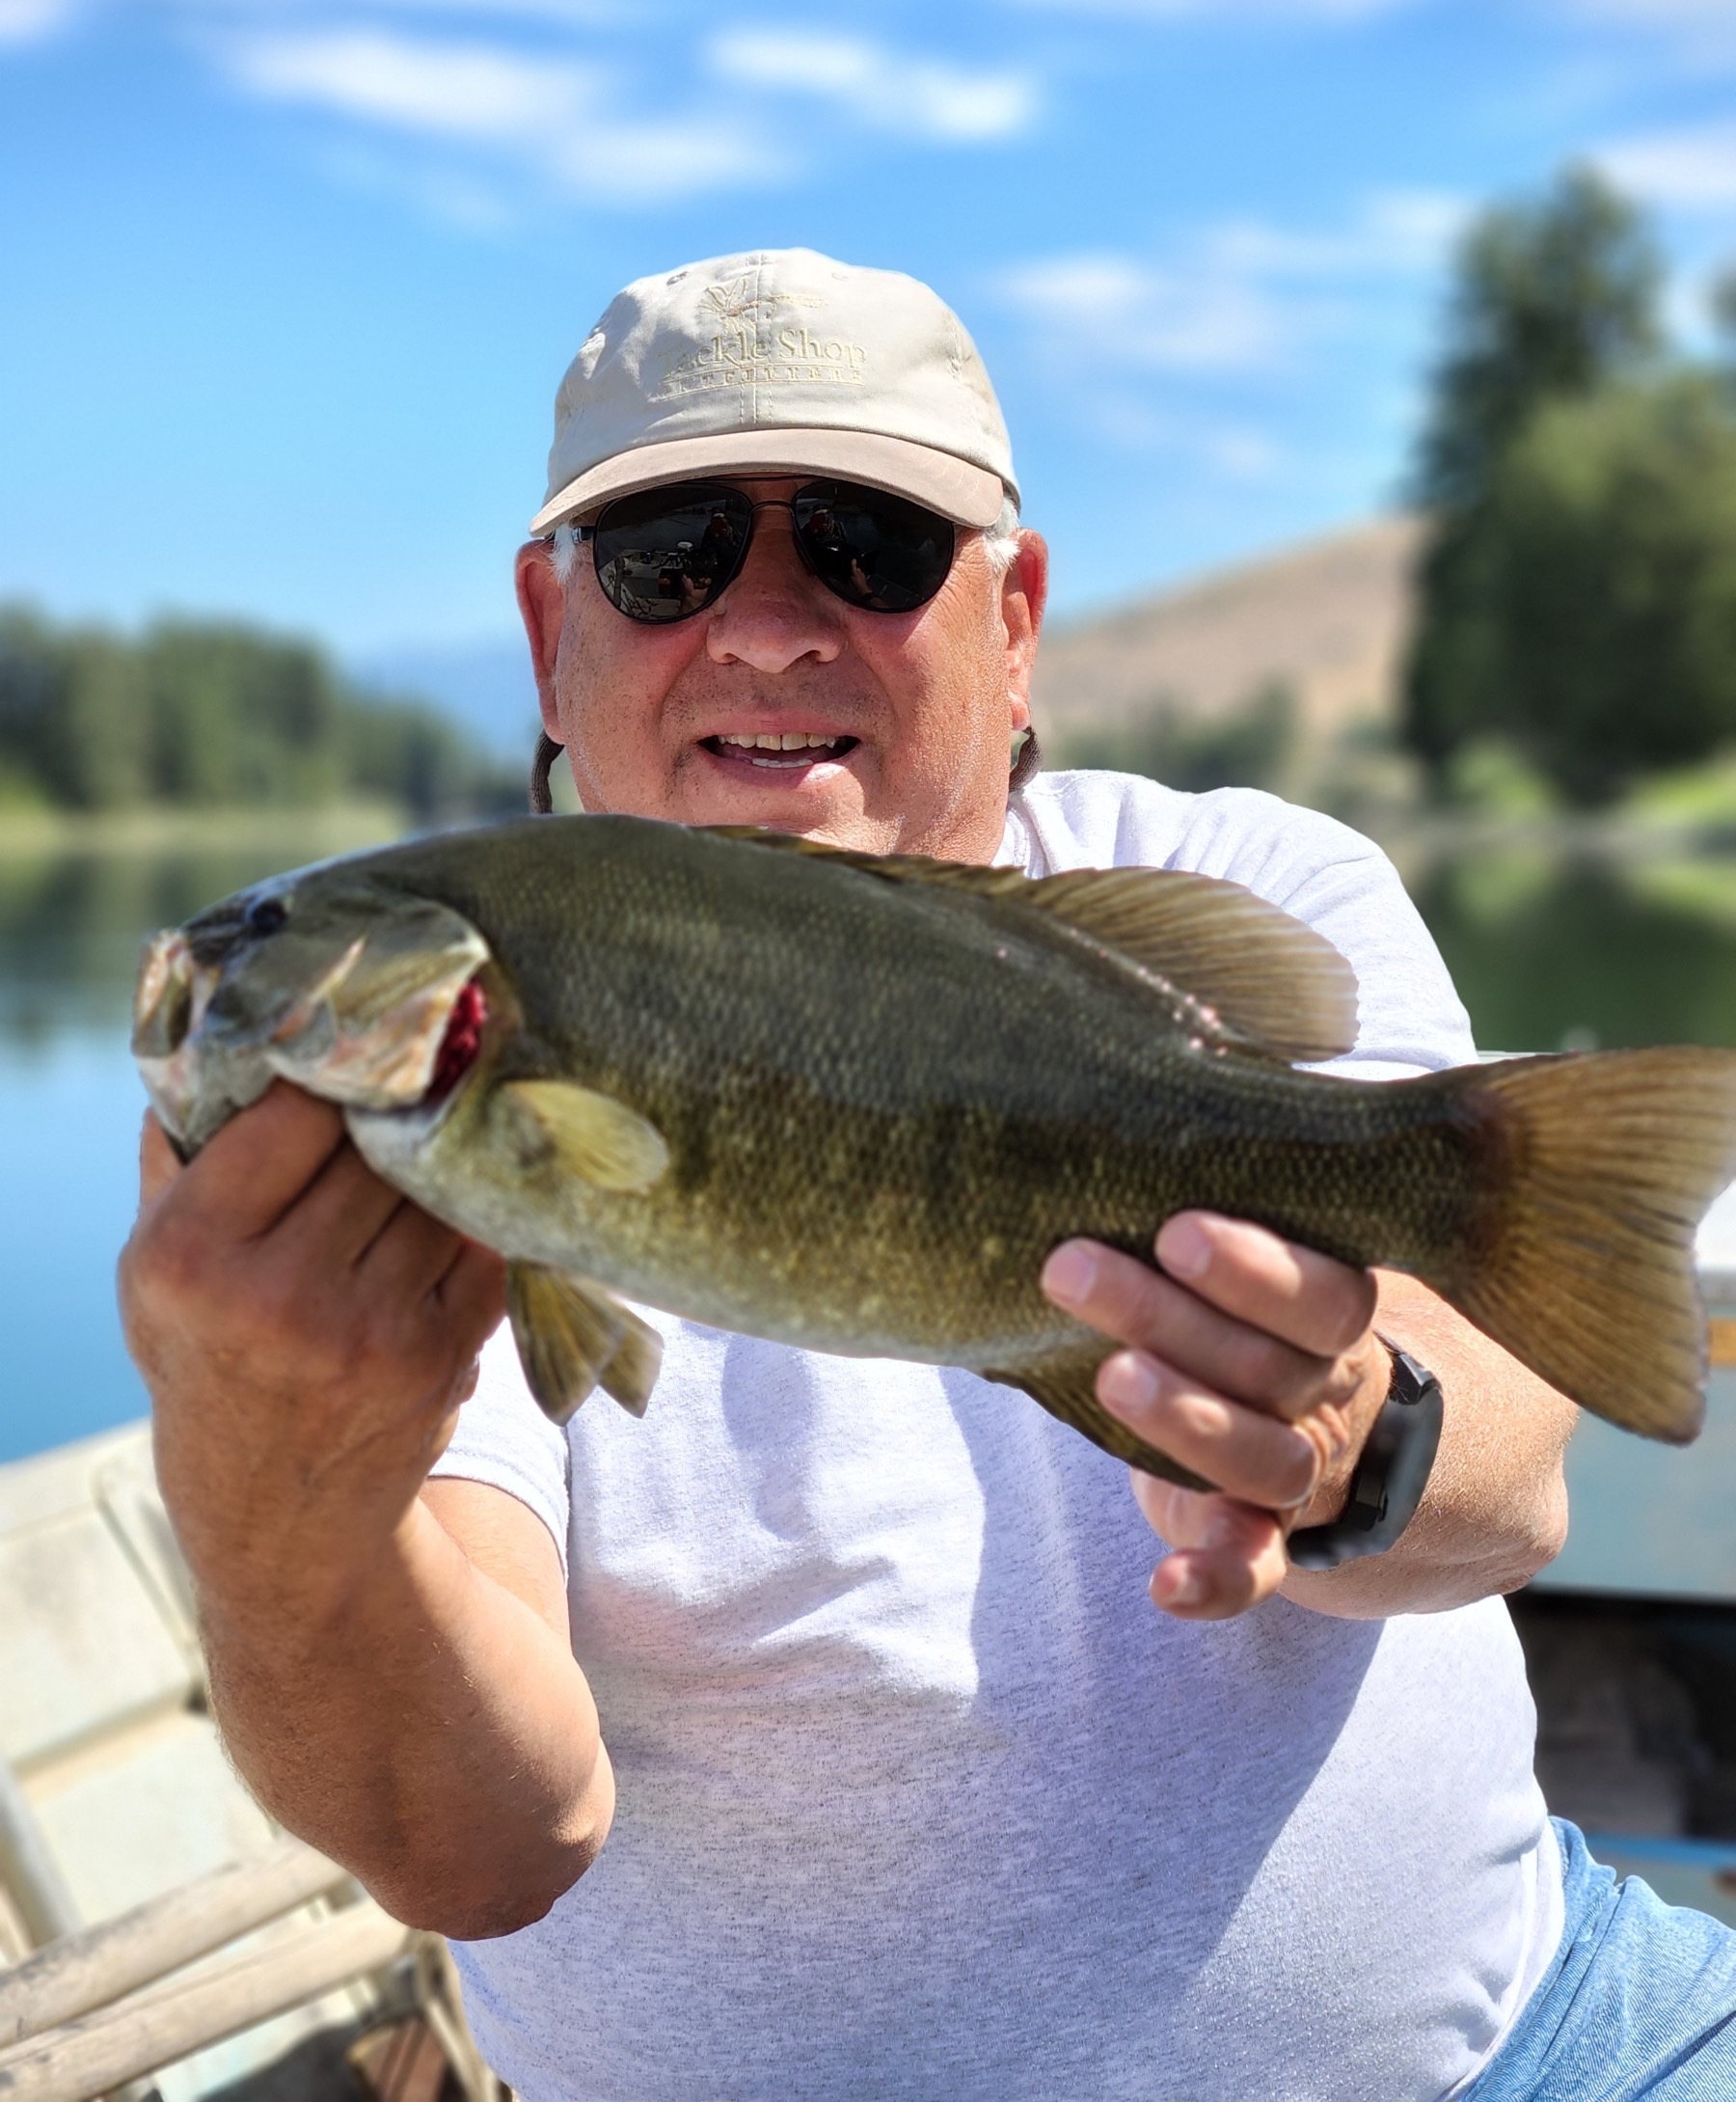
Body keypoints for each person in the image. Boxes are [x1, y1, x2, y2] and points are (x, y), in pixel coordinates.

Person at [121, 249, 1736, 2102]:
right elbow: (483, 1849)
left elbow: (1513, 1492)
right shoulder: (372, 1165)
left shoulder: (1238, 890)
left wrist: (1347, 1431)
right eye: (668, 558)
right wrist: (263, 1479)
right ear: (544, 632)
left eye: (871, 549)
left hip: (1550, 2049)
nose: (769, 628)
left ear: (1018, 611)